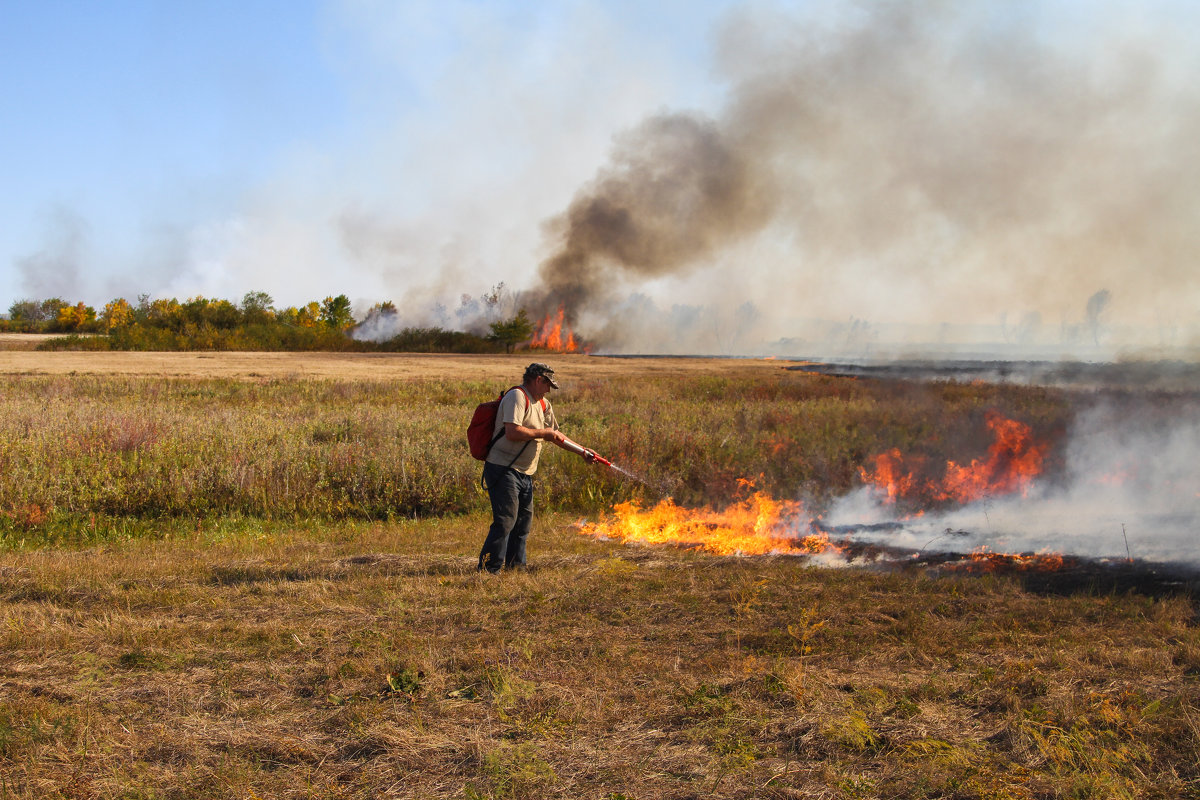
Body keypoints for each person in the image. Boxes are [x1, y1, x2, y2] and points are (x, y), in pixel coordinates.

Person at [478, 362, 595, 573]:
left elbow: (556, 436)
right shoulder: (517, 397)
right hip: (503, 468)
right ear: (538, 380)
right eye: (548, 384)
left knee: (523, 523)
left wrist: (582, 451)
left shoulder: (543, 404)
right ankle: (488, 570)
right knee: (505, 521)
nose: (550, 390)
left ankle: (516, 568)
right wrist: (544, 434)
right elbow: (513, 432)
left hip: (525, 472)